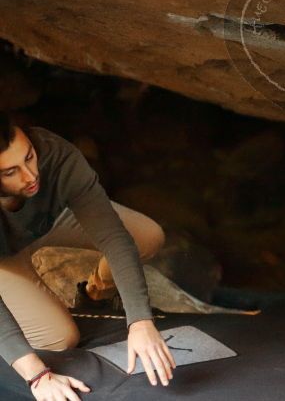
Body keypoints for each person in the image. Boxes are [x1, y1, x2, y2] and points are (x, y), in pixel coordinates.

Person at [0, 112, 176, 400]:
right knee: (59, 339)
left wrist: (140, 321)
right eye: (10, 172)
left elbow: (113, 236)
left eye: (29, 157)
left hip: (52, 220)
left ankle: (95, 294)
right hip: (3, 257)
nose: (30, 175)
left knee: (148, 236)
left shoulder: (54, 153)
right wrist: (37, 376)